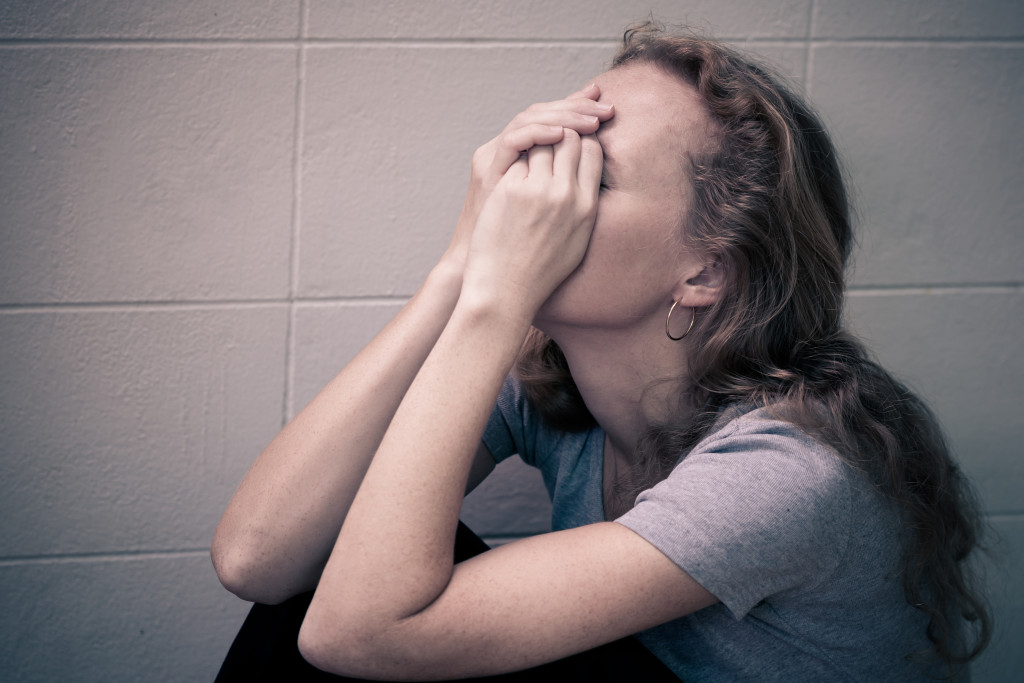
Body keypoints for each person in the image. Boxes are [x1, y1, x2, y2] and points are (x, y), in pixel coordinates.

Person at [211, 22, 991, 681]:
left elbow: (356, 633)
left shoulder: (789, 473)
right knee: (352, 547)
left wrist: (494, 299)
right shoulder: (556, 373)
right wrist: (456, 270)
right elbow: (259, 558)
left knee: (381, 604)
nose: (532, 189)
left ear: (704, 271)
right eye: (556, 146)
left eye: (592, 170)